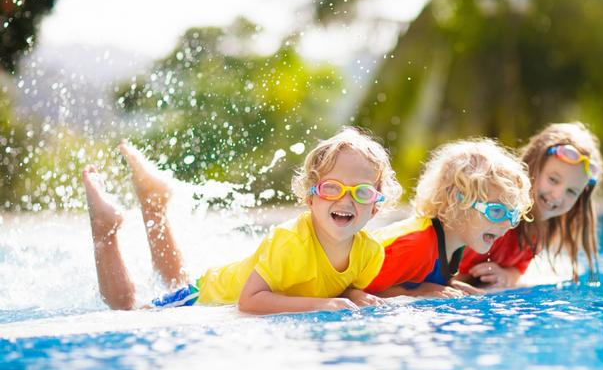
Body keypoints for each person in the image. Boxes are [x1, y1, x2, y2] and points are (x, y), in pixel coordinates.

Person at [82, 127, 402, 314]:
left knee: (174, 279)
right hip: (208, 294)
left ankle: (155, 204)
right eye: (333, 188)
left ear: (376, 205)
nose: (345, 200)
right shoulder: (290, 242)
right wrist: (321, 305)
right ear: (311, 196)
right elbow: (249, 302)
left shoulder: (370, 253)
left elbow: (341, 287)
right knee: (129, 311)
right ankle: (105, 230)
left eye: (361, 193)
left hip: (216, 285)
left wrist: (354, 295)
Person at [363, 139, 533, 298]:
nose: (507, 224)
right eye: (496, 212)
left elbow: (420, 277)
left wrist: (453, 285)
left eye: (513, 216)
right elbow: (358, 292)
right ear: (457, 201)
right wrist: (421, 291)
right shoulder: (416, 245)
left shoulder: (453, 244)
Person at [458, 122, 603, 288]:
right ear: (532, 165)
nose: (558, 195)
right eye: (553, 179)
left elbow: (518, 269)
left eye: (571, 192)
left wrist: (506, 275)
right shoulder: (497, 211)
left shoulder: (540, 230)